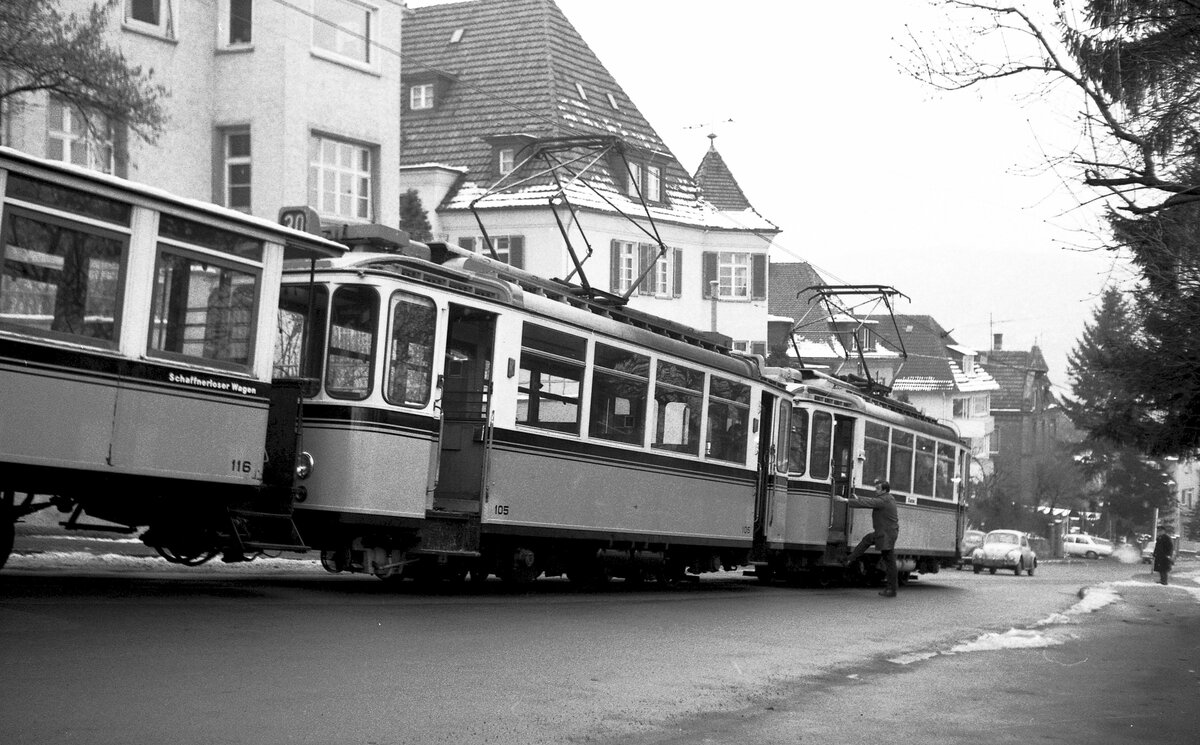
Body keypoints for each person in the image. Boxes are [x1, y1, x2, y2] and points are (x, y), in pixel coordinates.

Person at [843, 480, 900, 597]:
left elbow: (870, 502)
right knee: (872, 544)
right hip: (886, 533)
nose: (876, 490)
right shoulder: (888, 498)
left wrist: (847, 500)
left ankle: (892, 589)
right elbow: (872, 501)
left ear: (884, 490)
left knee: (889, 561)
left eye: (878, 488)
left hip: (886, 534)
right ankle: (850, 559)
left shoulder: (884, 500)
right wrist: (857, 498)